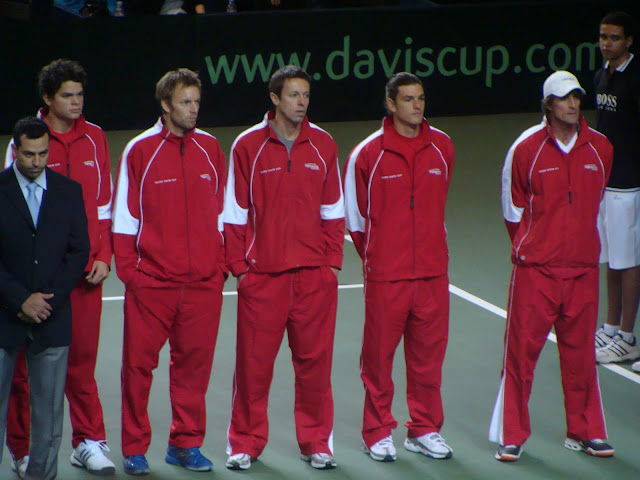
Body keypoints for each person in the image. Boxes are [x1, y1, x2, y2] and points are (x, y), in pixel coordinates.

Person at [223, 65, 344, 471]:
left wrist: (329, 265)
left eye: (306, 95)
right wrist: (241, 268)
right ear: (275, 99)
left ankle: (316, 444)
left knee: (314, 368)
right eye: (293, 95)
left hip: (313, 279)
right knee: (253, 369)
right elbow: (235, 214)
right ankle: (245, 442)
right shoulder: (247, 146)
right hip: (263, 279)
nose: (301, 102)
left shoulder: (324, 144)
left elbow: (333, 210)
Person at [490, 71, 614, 462]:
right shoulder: (525, 149)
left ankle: (585, 431)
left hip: (582, 271)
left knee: (580, 358)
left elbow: (597, 203)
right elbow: (512, 209)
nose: (573, 104)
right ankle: (512, 434)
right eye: (563, 98)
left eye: (576, 97)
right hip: (536, 273)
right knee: (520, 357)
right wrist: (532, 249)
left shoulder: (601, 148)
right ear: (548, 105)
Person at [111, 68, 226, 476]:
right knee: (138, 370)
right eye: (185, 103)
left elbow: (222, 214)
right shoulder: (139, 150)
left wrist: (220, 267)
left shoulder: (211, 148)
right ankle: (134, 448)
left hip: (202, 286)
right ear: (165, 105)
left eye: (196, 102)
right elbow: (123, 219)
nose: (193, 110)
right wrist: (132, 274)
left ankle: (186, 443)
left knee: (194, 369)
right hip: (152, 285)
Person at [4, 59, 115, 476]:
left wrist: (103, 255)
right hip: (33, 281)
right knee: (23, 369)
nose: (75, 103)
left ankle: (88, 441)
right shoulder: (26, 140)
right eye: (66, 96)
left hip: (81, 274)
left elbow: (104, 203)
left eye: (80, 95)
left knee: (83, 359)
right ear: (47, 99)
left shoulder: (97, 138)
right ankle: (23, 449)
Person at [343, 72, 454, 463]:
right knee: (378, 359)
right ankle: (376, 431)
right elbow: (354, 221)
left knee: (428, 359)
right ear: (391, 105)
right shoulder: (367, 154)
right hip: (387, 277)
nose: (417, 106)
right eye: (408, 99)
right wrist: (380, 257)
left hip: (432, 274)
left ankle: (424, 429)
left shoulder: (442, 147)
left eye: (421, 98)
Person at [0, 117, 90, 480]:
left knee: (49, 416)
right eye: (29, 154)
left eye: (42, 154)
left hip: (51, 317)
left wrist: (45, 300)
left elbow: (78, 251)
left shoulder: (69, 191)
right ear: (15, 150)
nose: (36, 162)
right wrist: (21, 299)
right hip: (5, 316)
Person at [593, 11, 640, 368]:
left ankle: (627, 337)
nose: (606, 43)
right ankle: (610, 327)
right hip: (607, 183)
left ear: (629, 42)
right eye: (603, 37)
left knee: (629, 261)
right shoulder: (602, 77)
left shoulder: (636, 80)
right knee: (611, 257)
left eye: (613, 37)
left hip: (630, 185)